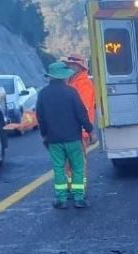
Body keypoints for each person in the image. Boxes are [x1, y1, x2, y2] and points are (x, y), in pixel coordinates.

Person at [37, 62, 94, 209]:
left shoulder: (43, 94)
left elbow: (41, 117)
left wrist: (44, 136)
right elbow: (82, 114)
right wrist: (90, 131)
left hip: (54, 139)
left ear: (50, 77)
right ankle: (79, 198)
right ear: (64, 77)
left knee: (59, 168)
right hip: (73, 138)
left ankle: (61, 199)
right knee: (77, 167)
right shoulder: (71, 92)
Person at [63, 55, 96, 184]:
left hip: (80, 132)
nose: (69, 67)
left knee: (76, 164)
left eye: (71, 64)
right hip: (73, 131)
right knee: (70, 164)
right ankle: (73, 188)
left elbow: (84, 109)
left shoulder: (83, 84)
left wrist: (86, 131)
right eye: (68, 64)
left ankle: (79, 190)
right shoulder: (73, 82)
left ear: (78, 67)